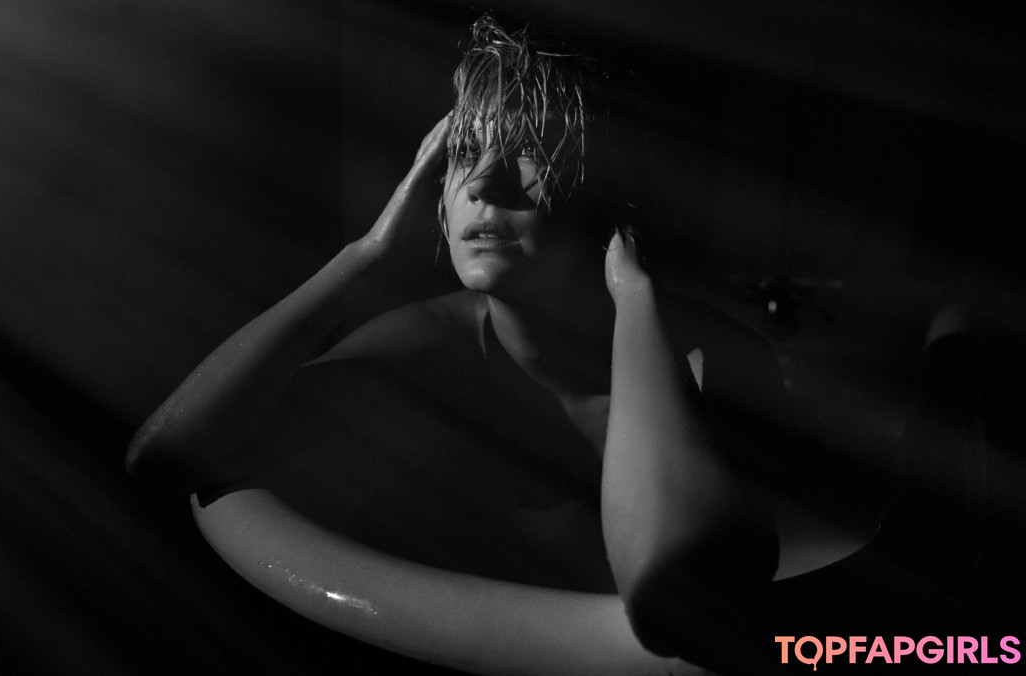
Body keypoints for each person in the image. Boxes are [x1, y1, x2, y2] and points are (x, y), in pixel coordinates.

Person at [127, 15, 878, 673]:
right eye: (462, 152)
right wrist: (369, 255)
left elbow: (676, 609)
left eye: (530, 151)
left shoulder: (715, 362)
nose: (484, 183)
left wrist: (635, 297)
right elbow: (163, 456)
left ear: (609, 192)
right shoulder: (439, 342)